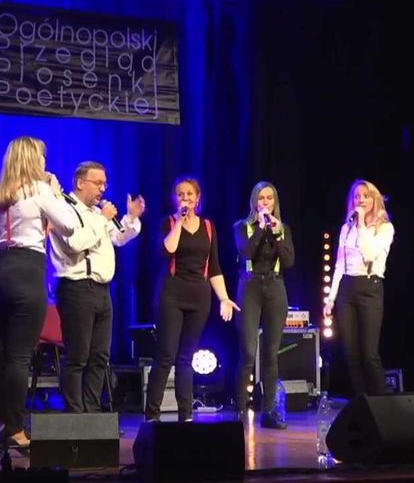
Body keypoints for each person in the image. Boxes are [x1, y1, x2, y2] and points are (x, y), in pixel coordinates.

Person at [0, 136, 79, 453]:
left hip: (0, 272)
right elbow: (70, 225)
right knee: (19, 357)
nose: (45, 161)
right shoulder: (40, 190)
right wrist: (55, 192)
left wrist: (0, 273)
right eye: (42, 156)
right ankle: (14, 428)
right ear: (33, 160)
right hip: (27, 270)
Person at [48, 161, 146, 413]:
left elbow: (119, 237)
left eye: (105, 184)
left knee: (100, 356)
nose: (103, 189)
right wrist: (103, 219)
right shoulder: (64, 209)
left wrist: (131, 218)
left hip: (102, 291)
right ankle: (75, 413)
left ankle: (92, 413)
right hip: (77, 288)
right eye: (98, 183)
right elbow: (75, 243)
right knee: (77, 355)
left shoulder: (96, 213)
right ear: (81, 183)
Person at [144, 176, 240, 422]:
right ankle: (152, 415)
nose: (185, 198)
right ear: (175, 198)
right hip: (172, 293)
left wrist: (224, 298)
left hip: (199, 296)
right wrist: (179, 221)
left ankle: (185, 416)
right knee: (166, 356)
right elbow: (168, 250)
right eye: (180, 194)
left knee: (186, 358)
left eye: (189, 194)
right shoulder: (168, 222)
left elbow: (214, 266)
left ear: (198, 198)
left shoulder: (208, 226)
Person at [323, 180, 395, 398]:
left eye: (366, 196)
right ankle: (361, 401)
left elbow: (369, 254)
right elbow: (339, 265)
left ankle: (380, 402)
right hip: (347, 289)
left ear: (374, 199)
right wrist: (331, 298)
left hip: (370, 287)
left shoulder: (385, 228)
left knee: (369, 353)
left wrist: (362, 223)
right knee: (351, 354)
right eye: (356, 196)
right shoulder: (347, 228)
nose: (361, 200)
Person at [233, 181, 295, 429]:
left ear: (275, 202)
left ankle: (269, 411)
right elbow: (246, 253)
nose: (265, 202)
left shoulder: (283, 229)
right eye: (261, 198)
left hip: (275, 286)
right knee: (248, 352)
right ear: (254, 202)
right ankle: (240, 409)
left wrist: (277, 234)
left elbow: (288, 262)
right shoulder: (242, 227)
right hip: (250, 286)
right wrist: (260, 228)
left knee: (271, 353)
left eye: (269, 198)